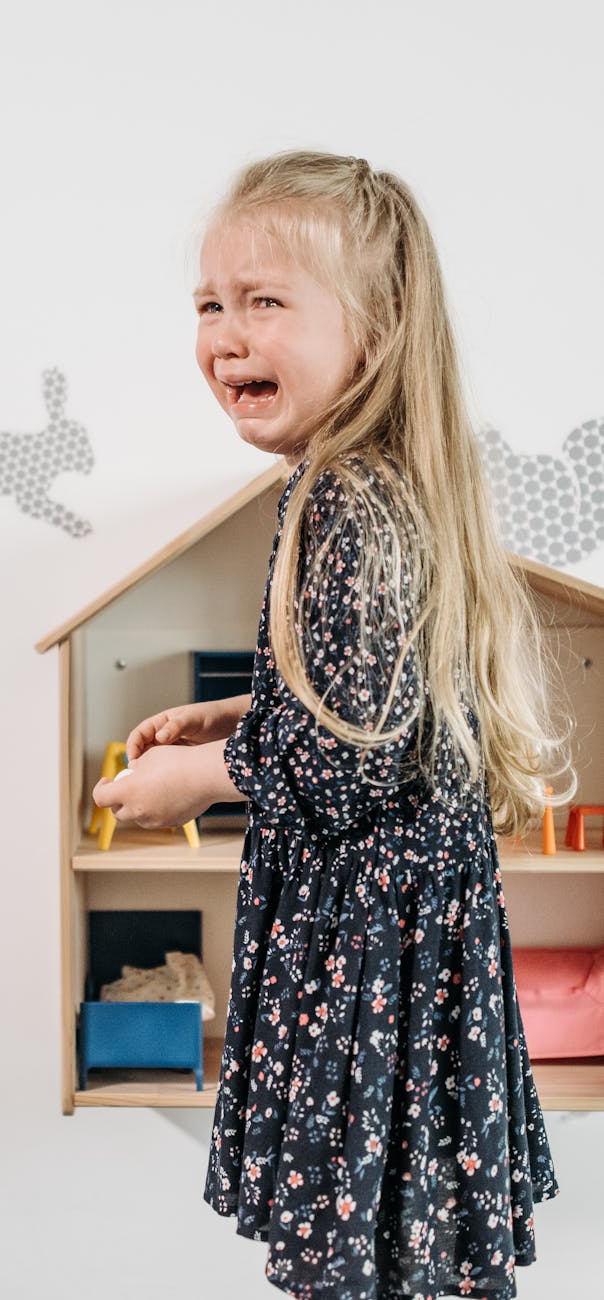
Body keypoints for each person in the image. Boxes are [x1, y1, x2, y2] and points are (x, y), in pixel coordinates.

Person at [91, 149, 575, 1300]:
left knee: (364, 1256)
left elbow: (350, 760)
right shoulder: (382, 481)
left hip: (369, 961)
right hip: (400, 952)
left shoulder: (347, 499)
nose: (226, 336)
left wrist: (198, 778)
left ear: (378, 325)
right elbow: (386, 699)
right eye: (209, 304)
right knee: (409, 1252)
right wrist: (245, 706)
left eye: (264, 300)